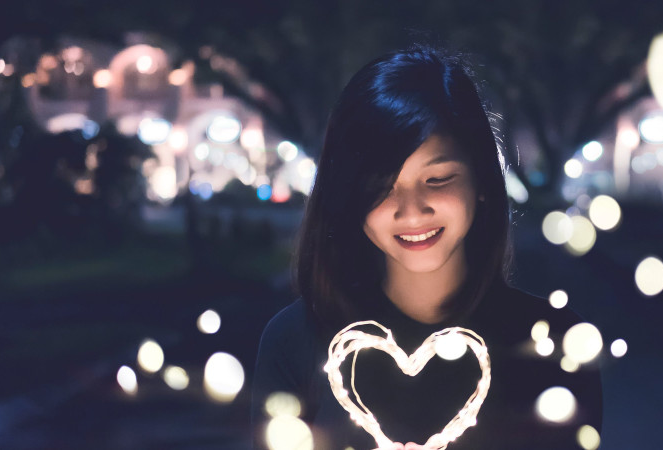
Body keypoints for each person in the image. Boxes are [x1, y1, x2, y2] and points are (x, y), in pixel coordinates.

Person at [252, 45, 602, 450]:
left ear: (483, 182)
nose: (412, 211)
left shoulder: (554, 344)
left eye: (437, 179)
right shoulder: (295, 341)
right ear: (348, 196)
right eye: (380, 187)